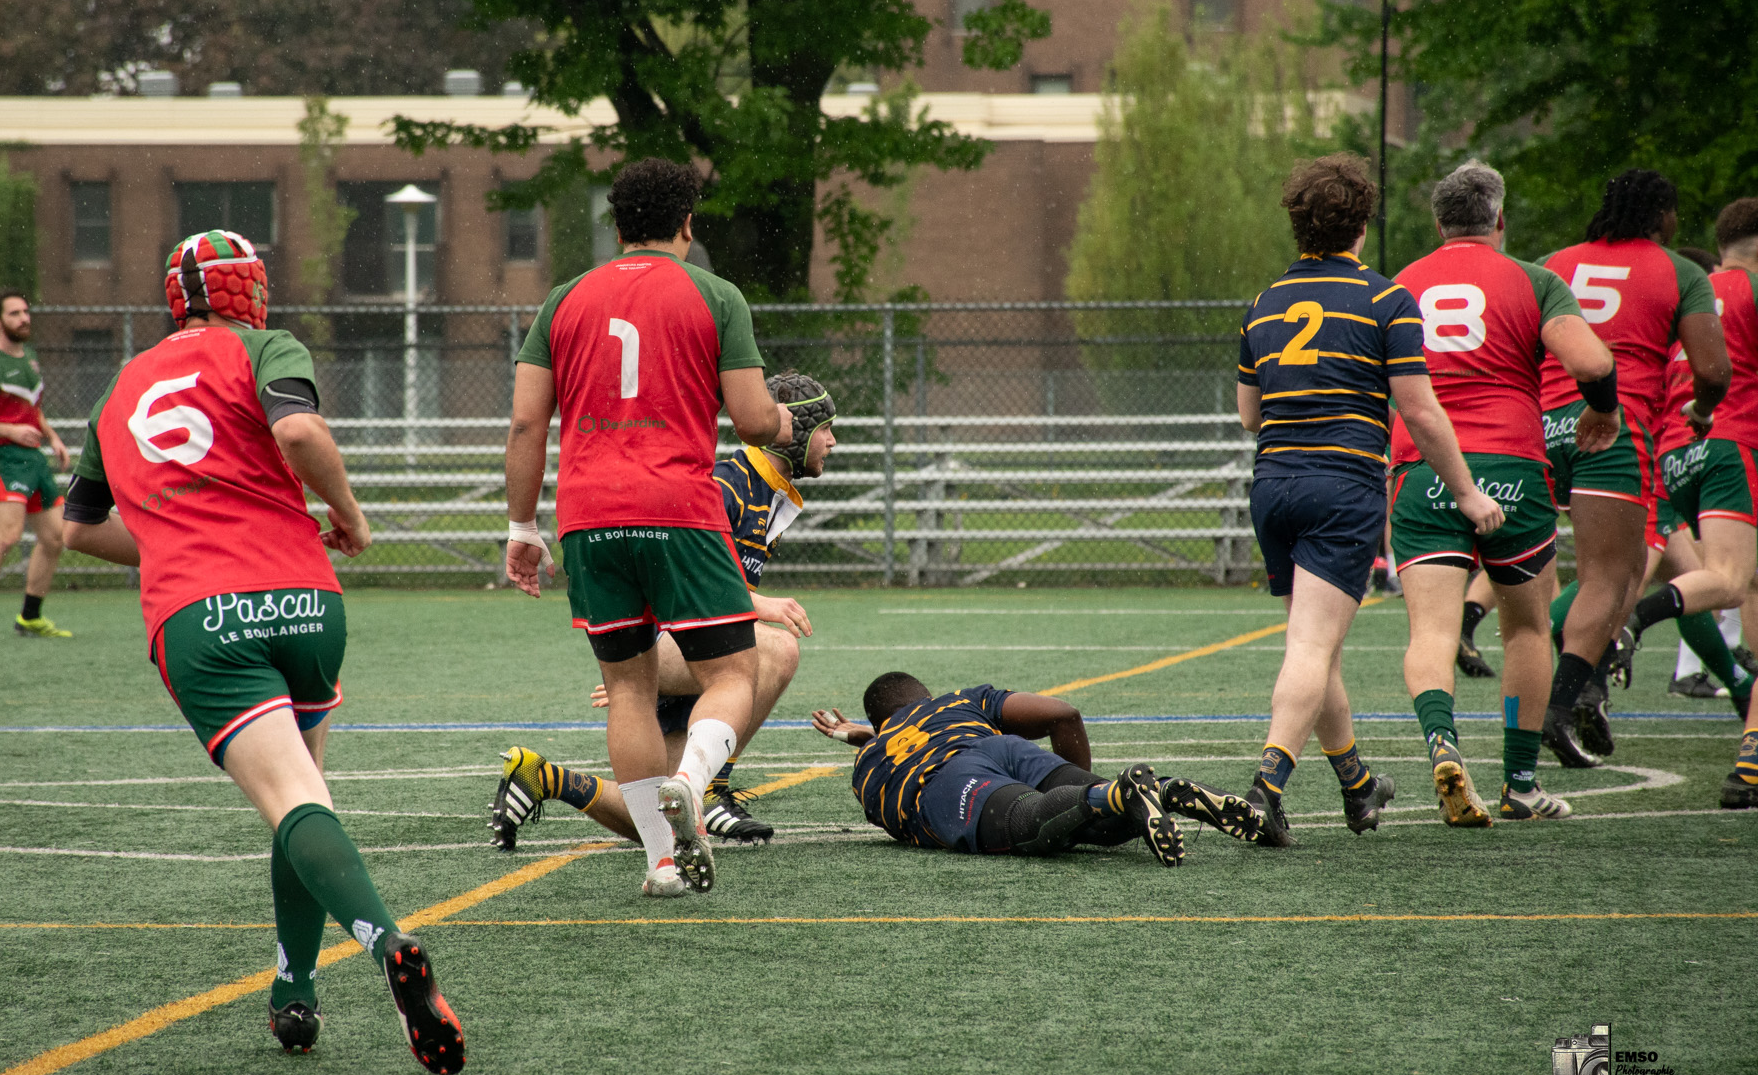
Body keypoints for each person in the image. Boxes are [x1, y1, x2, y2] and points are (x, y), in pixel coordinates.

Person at [60, 229, 464, 1075]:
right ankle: (294, 990)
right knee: (302, 796)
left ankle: (386, 942)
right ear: (247, 289)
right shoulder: (263, 346)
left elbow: (79, 528)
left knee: (292, 803)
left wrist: (172, 544)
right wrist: (349, 514)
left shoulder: (118, 388)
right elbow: (302, 433)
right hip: (304, 597)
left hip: (202, 617)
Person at [503, 158, 790, 896]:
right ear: (687, 223)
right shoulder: (715, 294)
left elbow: (527, 423)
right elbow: (754, 420)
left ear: (618, 224)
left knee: (627, 688)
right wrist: (785, 420)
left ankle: (661, 862)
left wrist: (521, 526)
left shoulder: (563, 300)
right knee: (733, 672)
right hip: (676, 508)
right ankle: (691, 782)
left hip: (588, 516)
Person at [1234, 153, 1503, 844]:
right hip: (1341, 485)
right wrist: (1467, 493)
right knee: (1311, 645)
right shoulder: (1386, 299)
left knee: (1315, 645)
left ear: (1298, 224)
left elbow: (1250, 416)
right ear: (1361, 224)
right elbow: (1420, 411)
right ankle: (1265, 788)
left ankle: (1357, 784)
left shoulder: (1263, 302)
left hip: (1274, 485)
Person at [491, 370, 838, 850]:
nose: (832, 442)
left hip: (691, 641)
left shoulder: (767, 491)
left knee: (663, 819)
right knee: (778, 649)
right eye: (826, 429)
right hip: (672, 636)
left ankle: (543, 778)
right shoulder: (728, 484)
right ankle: (712, 790)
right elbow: (682, 575)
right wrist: (645, 670)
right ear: (794, 430)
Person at [1385, 161, 1617, 825]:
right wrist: (1604, 409)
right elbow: (1591, 362)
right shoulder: (1534, 280)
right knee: (1527, 628)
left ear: (1438, 224)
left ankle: (1442, 742)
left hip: (1425, 469)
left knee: (1432, 629)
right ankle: (1520, 784)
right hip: (1513, 468)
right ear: (1500, 220)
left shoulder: (1399, 285)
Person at [1533, 170, 1728, 767]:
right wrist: (1701, 412)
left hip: (1542, 427)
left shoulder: (1553, 263)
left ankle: (1576, 686)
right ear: (1662, 214)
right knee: (1613, 575)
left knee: (1549, 574)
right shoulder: (1680, 271)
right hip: (1613, 428)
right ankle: (1564, 701)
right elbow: (1713, 371)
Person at [808, 672, 1267, 863]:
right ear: (924, 696)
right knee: (1102, 827)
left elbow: (896, 809)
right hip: (1000, 747)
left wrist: (871, 742)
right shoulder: (958, 702)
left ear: (878, 723)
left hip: (950, 778)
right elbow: (1062, 714)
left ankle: (1109, 795)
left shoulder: (869, 762)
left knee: (1029, 824)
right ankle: (1156, 792)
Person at [1616, 198, 1757, 805]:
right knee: (1727, 581)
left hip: (1677, 451)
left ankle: (1750, 764)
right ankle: (1634, 619)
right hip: (1734, 446)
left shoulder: (1691, 290)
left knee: (1746, 588)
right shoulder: (1750, 291)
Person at [0, 290, 72, 639]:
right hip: (5, 459)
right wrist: (11, 431)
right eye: (14, 314)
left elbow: (32, 410)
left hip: (33, 459)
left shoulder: (30, 358)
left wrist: (52, 437)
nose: (24, 318)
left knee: (54, 537)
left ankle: (30, 617)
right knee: (7, 536)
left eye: (25, 311)